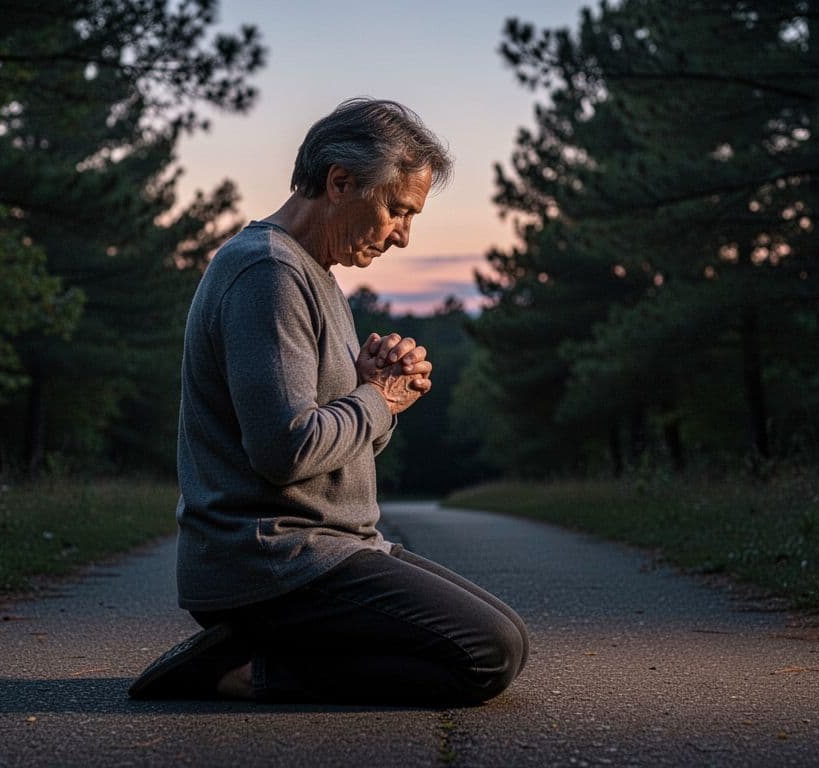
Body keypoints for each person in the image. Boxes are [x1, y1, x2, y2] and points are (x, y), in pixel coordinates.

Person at [128, 98, 528, 706]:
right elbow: (285, 451)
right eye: (397, 210)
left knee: (510, 637)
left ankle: (261, 652)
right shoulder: (267, 273)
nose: (403, 235)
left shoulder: (315, 274)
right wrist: (377, 398)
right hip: (272, 561)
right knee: (486, 654)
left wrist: (372, 394)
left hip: (329, 549)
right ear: (340, 182)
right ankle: (239, 672)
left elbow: (338, 442)